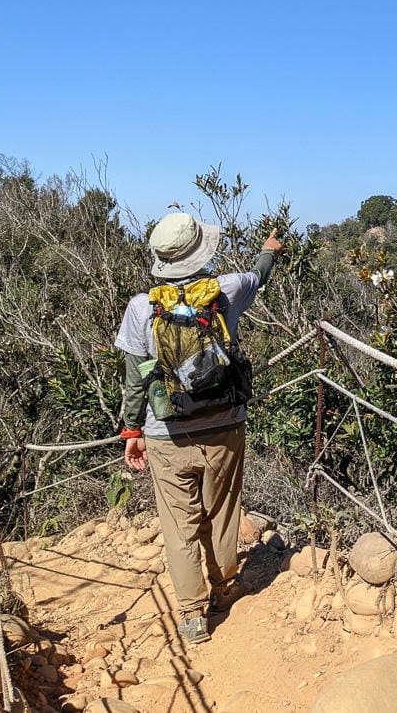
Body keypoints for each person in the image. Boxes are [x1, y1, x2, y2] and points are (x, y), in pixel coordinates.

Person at [115, 211, 282, 644]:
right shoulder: (228, 290)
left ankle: (191, 615)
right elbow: (260, 274)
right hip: (225, 424)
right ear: (200, 250)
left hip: (165, 433)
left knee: (179, 524)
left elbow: (136, 378)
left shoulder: (141, 308)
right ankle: (224, 588)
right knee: (223, 512)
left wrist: (132, 432)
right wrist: (270, 250)